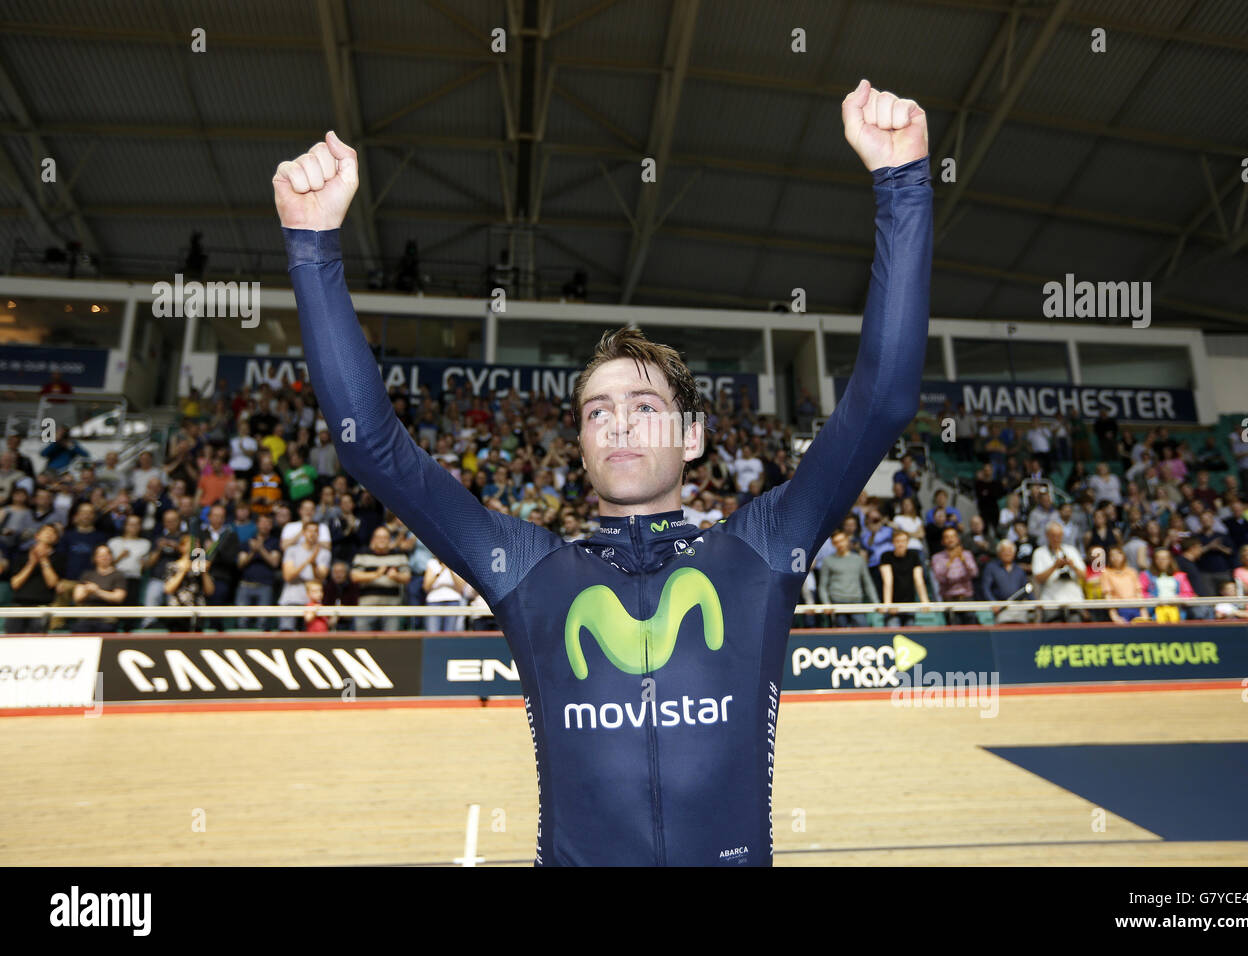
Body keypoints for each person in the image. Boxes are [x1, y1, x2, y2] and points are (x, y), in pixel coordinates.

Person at [273, 81, 931, 866]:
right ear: (580, 446)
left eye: (643, 404)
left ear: (693, 438)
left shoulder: (765, 547)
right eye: (596, 411)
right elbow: (368, 445)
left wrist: (903, 185)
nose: (617, 420)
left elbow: (885, 397)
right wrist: (312, 247)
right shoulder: (525, 567)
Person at [817, 530, 879, 628]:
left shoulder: (858, 559)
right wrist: (826, 604)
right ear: (833, 544)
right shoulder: (828, 561)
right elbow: (822, 586)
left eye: (841, 540)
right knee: (840, 637)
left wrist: (876, 603)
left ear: (847, 540)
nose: (840, 544)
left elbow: (868, 583)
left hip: (856, 602)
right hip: (837, 603)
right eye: (836, 542)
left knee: (863, 631)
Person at [1031, 522, 1087, 623]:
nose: (1056, 539)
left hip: (1073, 601)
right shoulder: (1039, 553)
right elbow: (1038, 579)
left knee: (1075, 635)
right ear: (1047, 535)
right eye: (1053, 536)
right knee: (1054, 636)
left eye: (1059, 535)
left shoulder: (1071, 550)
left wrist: (1072, 565)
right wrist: (1055, 566)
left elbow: (1084, 575)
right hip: (1051, 602)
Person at [279, 520, 330, 630]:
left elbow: (321, 577)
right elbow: (288, 576)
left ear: (319, 534)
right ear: (303, 533)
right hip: (291, 599)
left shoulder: (324, 553)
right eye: (309, 531)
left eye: (316, 531)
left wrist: (313, 564)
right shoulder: (291, 550)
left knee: (308, 638)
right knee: (286, 635)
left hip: (312, 603)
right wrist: (307, 561)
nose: (312, 534)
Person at [71, 544, 128, 633]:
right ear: (95, 558)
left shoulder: (118, 575)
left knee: (104, 629)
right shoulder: (87, 575)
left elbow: (118, 597)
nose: (104, 558)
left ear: (111, 557)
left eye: (107, 555)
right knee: (79, 629)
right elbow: (77, 597)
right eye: (100, 555)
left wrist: (97, 591)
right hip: (86, 618)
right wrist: (87, 592)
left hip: (107, 619)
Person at [879, 528, 929, 628]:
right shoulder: (886, 556)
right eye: (897, 541)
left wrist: (925, 602)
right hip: (893, 604)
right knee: (892, 632)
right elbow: (888, 581)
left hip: (909, 604)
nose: (900, 544)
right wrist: (888, 605)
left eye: (903, 541)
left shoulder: (914, 556)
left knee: (909, 635)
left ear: (907, 542)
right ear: (893, 543)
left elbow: (918, 580)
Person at [931, 526, 978, 625]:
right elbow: (940, 578)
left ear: (957, 539)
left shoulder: (967, 554)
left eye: (953, 536)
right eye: (947, 537)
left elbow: (974, 573)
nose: (950, 539)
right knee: (954, 633)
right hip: (949, 600)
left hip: (966, 598)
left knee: (972, 632)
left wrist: (963, 560)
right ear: (942, 541)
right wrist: (950, 560)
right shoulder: (937, 558)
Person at [980, 539, 1032, 624]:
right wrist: (993, 603)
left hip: (1019, 609)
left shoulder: (1019, 570)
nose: (1007, 553)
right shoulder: (991, 567)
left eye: (1010, 551)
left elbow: (1026, 589)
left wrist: (1035, 603)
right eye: (1005, 551)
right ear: (999, 553)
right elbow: (986, 588)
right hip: (1001, 609)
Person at [1100, 547, 1149, 624]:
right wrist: (1114, 616)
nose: (1115, 557)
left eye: (1118, 554)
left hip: (1136, 608)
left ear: (1124, 556)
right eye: (1112, 555)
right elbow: (1108, 596)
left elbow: (1139, 593)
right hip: (1120, 609)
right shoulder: (1106, 573)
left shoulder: (1132, 571)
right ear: (1109, 558)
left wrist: (1144, 613)